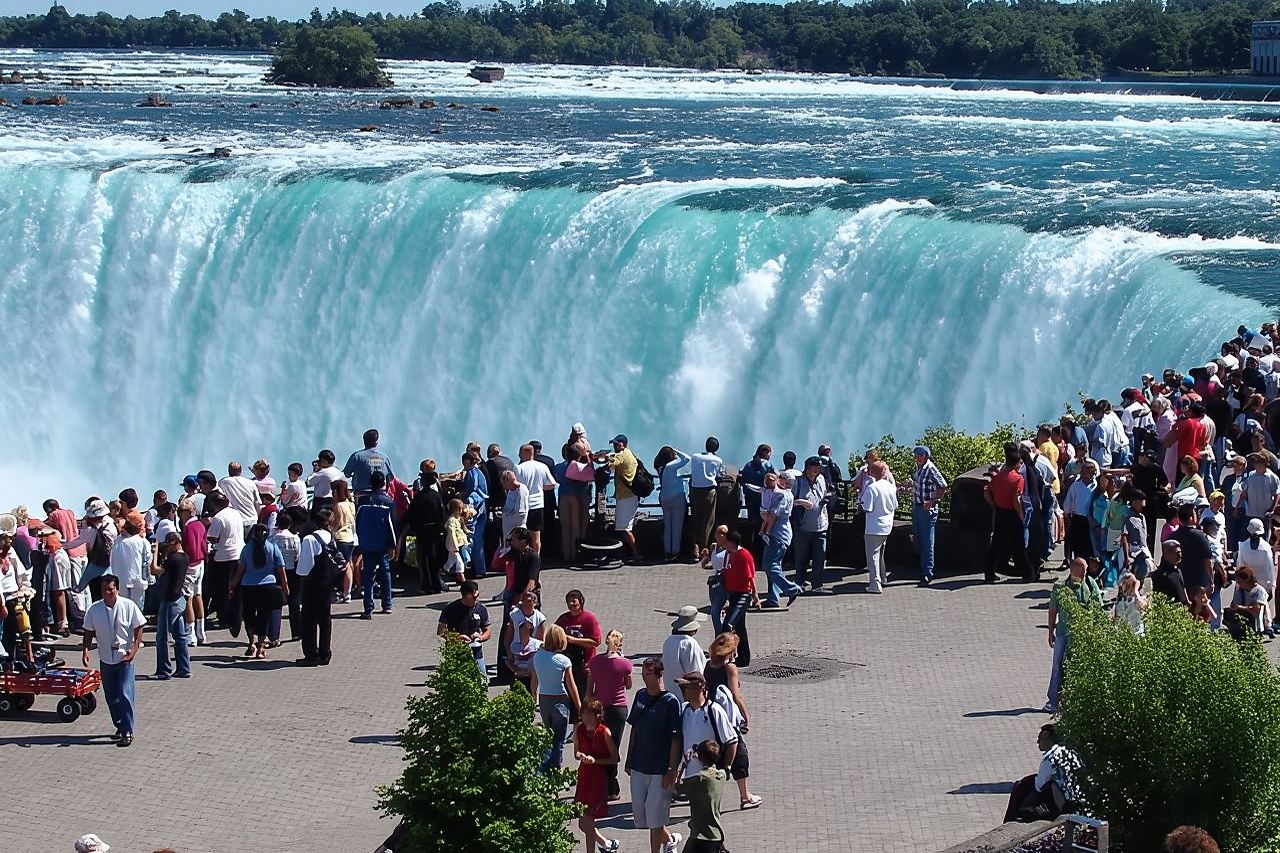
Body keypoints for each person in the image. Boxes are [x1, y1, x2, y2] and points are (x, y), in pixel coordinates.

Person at [625, 657, 683, 853]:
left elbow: (675, 738)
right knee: (641, 816)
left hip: (660, 769)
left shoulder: (671, 702)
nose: (644, 677)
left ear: (659, 675)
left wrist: (672, 769)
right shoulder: (640, 695)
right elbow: (634, 728)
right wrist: (629, 758)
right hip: (639, 765)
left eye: (648, 673)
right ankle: (670, 839)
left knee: (655, 818)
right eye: (643, 673)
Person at [81, 575, 145, 747]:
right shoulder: (94, 609)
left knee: (125, 693)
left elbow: (139, 626)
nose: (108, 593)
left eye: (111, 589)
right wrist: (85, 650)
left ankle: (127, 730)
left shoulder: (128, 606)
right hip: (105, 659)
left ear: (117, 589)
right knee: (111, 697)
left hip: (124, 658)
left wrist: (134, 648)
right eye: (104, 590)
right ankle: (120, 725)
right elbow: (88, 631)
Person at [704, 631, 762, 810]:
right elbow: (736, 695)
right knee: (740, 754)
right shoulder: (729, 668)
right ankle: (745, 797)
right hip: (728, 718)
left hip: (712, 716)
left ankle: (709, 796)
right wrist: (746, 717)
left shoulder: (708, 665)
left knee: (714, 754)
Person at [1045, 557, 1100, 714]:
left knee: (1078, 667)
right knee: (1057, 666)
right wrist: (1050, 631)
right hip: (1063, 633)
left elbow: (1097, 607)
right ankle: (1053, 701)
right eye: (1083, 569)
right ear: (1074, 569)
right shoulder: (1060, 587)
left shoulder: (1090, 584)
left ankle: (1075, 701)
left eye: (1086, 569)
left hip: (1082, 634)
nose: (1085, 572)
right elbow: (1053, 610)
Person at [229, 523, 287, 660]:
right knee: (264, 617)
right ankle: (261, 647)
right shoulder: (273, 547)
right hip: (269, 585)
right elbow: (281, 569)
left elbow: (240, 570)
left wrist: (232, 586)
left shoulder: (246, 549)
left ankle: (251, 643)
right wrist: (285, 587)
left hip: (248, 586)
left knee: (248, 616)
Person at [587, 629, 632, 801]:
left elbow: (590, 687)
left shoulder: (595, 662)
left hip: (600, 708)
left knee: (601, 745)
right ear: (619, 644)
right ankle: (612, 785)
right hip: (618, 709)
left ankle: (602, 783)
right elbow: (628, 685)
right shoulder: (625, 664)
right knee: (613, 746)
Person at [1003, 724, 1079, 822]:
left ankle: (1013, 818)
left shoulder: (1050, 759)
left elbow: (1039, 786)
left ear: (1046, 736)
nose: (1037, 742)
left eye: (1039, 739)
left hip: (1062, 805)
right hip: (1075, 799)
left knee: (1022, 786)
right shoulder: (1071, 753)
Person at [675, 670, 738, 789]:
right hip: (689, 778)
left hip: (709, 779)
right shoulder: (683, 710)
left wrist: (726, 768)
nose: (683, 690)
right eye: (681, 687)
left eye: (686, 686)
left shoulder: (714, 711)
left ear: (701, 687)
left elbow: (732, 741)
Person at [530, 624, 580, 772]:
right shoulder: (564, 660)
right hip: (560, 700)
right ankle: (556, 768)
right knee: (559, 738)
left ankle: (545, 767)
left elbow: (534, 682)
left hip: (544, 700)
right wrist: (579, 706)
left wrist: (534, 699)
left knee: (548, 735)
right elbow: (571, 686)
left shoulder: (537, 657)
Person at [572, 699, 620, 853]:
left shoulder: (604, 732)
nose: (585, 718)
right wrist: (581, 756)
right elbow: (576, 752)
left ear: (597, 715)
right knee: (583, 823)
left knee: (588, 820)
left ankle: (596, 849)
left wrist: (595, 760)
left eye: (589, 714)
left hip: (597, 778)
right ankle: (607, 844)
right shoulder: (579, 729)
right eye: (584, 714)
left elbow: (615, 758)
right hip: (584, 776)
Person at [296, 508, 339, 667]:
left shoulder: (309, 539)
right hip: (327, 583)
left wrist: (301, 581)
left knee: (309, 620)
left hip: (312, 583)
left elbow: (304, 567)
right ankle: (325, 653)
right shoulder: (329, 536)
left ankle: (311, 654)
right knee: (325, 619)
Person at [986, 443, 1032, 584]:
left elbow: (987, 492)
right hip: (1012, 513)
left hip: (1000, 512)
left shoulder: (997, 476)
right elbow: (1016, 499)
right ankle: (1027, 573)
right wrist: (1021, 514)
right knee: (1018, 544)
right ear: (1017, 462)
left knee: (996, 544)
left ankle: (989, 573)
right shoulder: (1018, 478)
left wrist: (995, 505)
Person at [355, 472, 397, 618]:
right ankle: (387, 604)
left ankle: (368, 608)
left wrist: (361, 539)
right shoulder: (388, 502)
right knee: (385, 572)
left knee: (368, 575)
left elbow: (357, 522)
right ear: (384, 483)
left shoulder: (363, 502)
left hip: (367, 543)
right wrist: (393, 545)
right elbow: (392, 526)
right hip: (383, 544)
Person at [151, 533, 191, 680]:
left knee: (162, 636)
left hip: (169, 600)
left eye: (168, 544)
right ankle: (184, 668)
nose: (167, 547)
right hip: (179, 598)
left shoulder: (173, 559)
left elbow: (154, 570)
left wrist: (155, 553)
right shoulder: (184, 557)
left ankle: (164, 670)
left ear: (174, 542)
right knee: (180, 636)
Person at [758, 473, 801, 608]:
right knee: (774, 566)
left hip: (778, 534)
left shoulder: (783, 495)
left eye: (781, 478)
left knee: (770, 566)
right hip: (777, 533)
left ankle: (791, 589)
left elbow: (772, 515)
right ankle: (773, 598)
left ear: (785, 482)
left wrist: (764, 514)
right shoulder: (783, 494)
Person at [909, 445, 948, 585]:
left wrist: (932, 502)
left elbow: (943, 486)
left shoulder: (930, 468)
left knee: (927, 542)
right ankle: (923, 568)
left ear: (926, 456)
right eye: (916, 455)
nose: (917, 458)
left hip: (926, 510)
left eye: (920, 455)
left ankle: (927, 573)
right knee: (918, 539)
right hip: (918, 507)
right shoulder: (919, 468)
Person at [720, 529, 759, 667]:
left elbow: (751, 578)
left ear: (732, 542)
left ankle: (725, 655)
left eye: (726, 542)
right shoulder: (732, 554)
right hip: (733, 594)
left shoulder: (744, 555)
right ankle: (744, 658)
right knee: (740, 627)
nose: (724, 545)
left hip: (743, 595)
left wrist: (755, 596)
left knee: (728, 624)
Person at [793, 456, 831, 593]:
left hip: (821, 526)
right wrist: (801, 502)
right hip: (803, 527)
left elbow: (823, 495)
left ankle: (817, 586)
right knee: (801, 558)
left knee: (820, 558)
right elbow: (789, 501)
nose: (818, 470)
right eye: (816, 468)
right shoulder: (797, 482)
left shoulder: (821, 479)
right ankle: (798, 585)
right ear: (808, 468)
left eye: (820, 468)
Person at [437, 580, 491, 678]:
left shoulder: (481, 609)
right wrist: (457, 637)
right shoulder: (450, 609)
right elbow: (441, 631)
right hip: (456, 652)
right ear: (465, 596)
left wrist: (481, 637)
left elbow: (487, 631)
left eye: (478, 595)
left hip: (476, 652)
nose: (477, 599)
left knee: (482, 680)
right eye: (474, 597)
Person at [598, 435, 640, 561]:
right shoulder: (630, 453)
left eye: (616, 444)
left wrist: (599, 459)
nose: (614, 447)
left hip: (625, 497)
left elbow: (612, 463)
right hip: (630, 496)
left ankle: (635, 554)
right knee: (624, 528)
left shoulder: (621, 455)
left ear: (622, 444)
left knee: (624, 529)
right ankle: (629, 553)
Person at [684, 740, 730, 853]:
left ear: (699, 757)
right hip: (717, 835)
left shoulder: (698, 779)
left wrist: (685, 764)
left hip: (700, 836)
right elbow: (719, 770)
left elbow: (675, 788)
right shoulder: (721, 776)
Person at [556, 589, 602, 699]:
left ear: (581, 601)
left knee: (585, 696)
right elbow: (554, 634)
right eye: (569, 601)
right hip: (568, 664)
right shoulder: (563, 619)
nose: (571, 604)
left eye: (574, 601)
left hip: (585, 665)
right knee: (569, 695)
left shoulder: (589, 619)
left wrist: (572, 640)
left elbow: (595, 642)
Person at [860, 460, 898, 594]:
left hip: (874, 527)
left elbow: (867, 507)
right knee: (881, 554)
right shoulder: (891, 487)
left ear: (872, 473)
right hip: (887, 525)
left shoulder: (872, 488)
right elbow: (895, 505)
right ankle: (883, 578)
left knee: (873, 557)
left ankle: (875, 584)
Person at [515, 444, 556, 554]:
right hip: (537, 505)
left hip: (523, 505)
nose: (519, 455)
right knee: (536, 537)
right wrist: (540, 488)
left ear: (525, 453)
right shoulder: (542, 466)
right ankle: (536, 559)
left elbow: (515, 486)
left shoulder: (519, 468)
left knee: (521, 536)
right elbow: (552, 484)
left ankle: (523, 558)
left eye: (520, 453)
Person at [557, 444, 595, 564]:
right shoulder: (581, 467)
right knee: (576, 528)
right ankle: (576, 554)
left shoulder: (559, 467)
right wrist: (588, 458)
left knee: (565, 529)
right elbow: (590, 477)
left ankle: (566, 555)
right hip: (577, 497)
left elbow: (557, 479)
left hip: (563, 496)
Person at [1238, 518, 1276, 635]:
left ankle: (1259, 625)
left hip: (1248, 580)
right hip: (1263, 579)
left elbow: (1240, 564)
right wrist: (1271, 584)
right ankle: (1266, 625)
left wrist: (1240, 581)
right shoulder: (1266, 547)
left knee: (1253, 603)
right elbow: (1270, 567)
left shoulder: (1243, 546)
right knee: (1262, 602)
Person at [177, 498, 207, 646]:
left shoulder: (188, 528)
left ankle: (191, 634)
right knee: (198, 595)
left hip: (191, 565)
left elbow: (191, 549)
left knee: (188, 599)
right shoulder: (200, 525)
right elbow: (204, 545)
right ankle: (201, 632)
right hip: (201, 563)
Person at [269, 513, 302, 643]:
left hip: (276, 572)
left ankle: (274, 636)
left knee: (276, 604)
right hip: (292, 571)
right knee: (294, 602)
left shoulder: (273, 539)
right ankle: (296, 632)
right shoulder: (295, 538)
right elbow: (298, 555)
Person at [654, 445, 691, 562]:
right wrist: (676, 450)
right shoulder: (671, 466)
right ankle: (675, 552)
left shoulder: (660, 467)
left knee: (668, 527)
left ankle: (667, 552)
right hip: (676, 497)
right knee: (676, 527)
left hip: (664, 498)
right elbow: (687, 459)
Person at [689, 437, 725, 553]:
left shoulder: (695, 457)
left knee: (696, 518)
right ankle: (704, 547)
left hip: (695, 490)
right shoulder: (718, 460)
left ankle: (695, 546)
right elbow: (721, 475)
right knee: (708, 521)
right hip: (710, 491)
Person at [739, 444, 774, 561]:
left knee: (752, 527)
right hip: (764, 502)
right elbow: (774, 480)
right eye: (769, 452)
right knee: (763, 529)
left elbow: (744, 483)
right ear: (765, 452)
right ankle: (761, 556)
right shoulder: (768, 465)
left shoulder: (748, 465)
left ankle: (751, 554)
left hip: (751, 501)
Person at [662, 605, 707, 693]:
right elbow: (696, 672)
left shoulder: (668, 641)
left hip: (671, 691)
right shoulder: (689, 644)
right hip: (687, 693)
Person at [109, 519, 151, 610]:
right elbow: (147, 561)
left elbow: (112, 560)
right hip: (138, 582)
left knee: (123, 610)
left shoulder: (117, 541)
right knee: (137, 611)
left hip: (121, 581)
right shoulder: (143, 542)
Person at [344, 428, 395, 500]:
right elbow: (391, 477)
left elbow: (346, 474)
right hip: (380, 495)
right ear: (376, 442)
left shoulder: (357, 456)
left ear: (364, 441)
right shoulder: (384, 458)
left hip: (361, 495)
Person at [700, 525, 731, 634]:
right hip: (715, 582)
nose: (719, 536)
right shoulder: (713, 547)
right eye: (717, 533)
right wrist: (705, 557)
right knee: (715, 610)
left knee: (721, 608)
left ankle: (723, 633)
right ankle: (719, 633)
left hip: (726, 581)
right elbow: (707, 565)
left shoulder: (730, 548)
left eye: (722, 533)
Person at [330, 479, 357, 603]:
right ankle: (348, 592)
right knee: (348, 564)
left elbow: (336, 524)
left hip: (340, 537)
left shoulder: (338, 506)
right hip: (350, 537)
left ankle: (343, 592)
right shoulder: (350, 504)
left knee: (342, 566)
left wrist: (330, 527)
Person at [218, 462, 262, 530]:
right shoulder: (251, 483)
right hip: (251, 519)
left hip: (234, 521)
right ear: (241, 471)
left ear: (229, 471)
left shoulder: (222, 482)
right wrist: (257, 517)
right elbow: (257, 503)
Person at [1151, 540, 1191, 608]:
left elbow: (1182, 590)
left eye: (1180, 552)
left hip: (1180, 609)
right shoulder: (1159, 574)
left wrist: (1187, 603)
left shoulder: (1177, 571)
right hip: (1167, 610)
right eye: (1177, 553)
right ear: (1167, 554)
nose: (1180, 555)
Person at [501, 470, 529, 542]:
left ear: (508, 481)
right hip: (508, 528)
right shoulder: (511, 491)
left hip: (516, 528)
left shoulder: (521, 490)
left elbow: (521, 512)